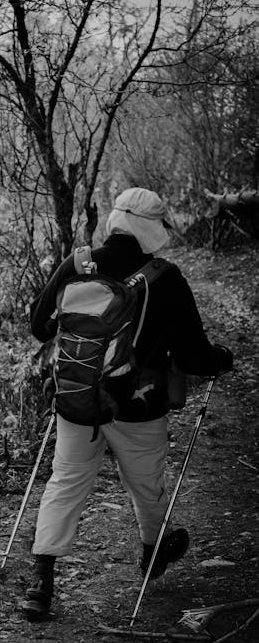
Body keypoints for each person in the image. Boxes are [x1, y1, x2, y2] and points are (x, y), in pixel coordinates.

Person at [23, 187, 233, 619]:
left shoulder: (78, 263)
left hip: (78, 401)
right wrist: (222, 360)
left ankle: (41, 582)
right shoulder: (165, 277)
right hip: (140, 405)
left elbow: (39, 327)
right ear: (152, 228)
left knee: (65, 481)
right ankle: (153, 551)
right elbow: (195, 356)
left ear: (117, 220)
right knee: (146, 483)